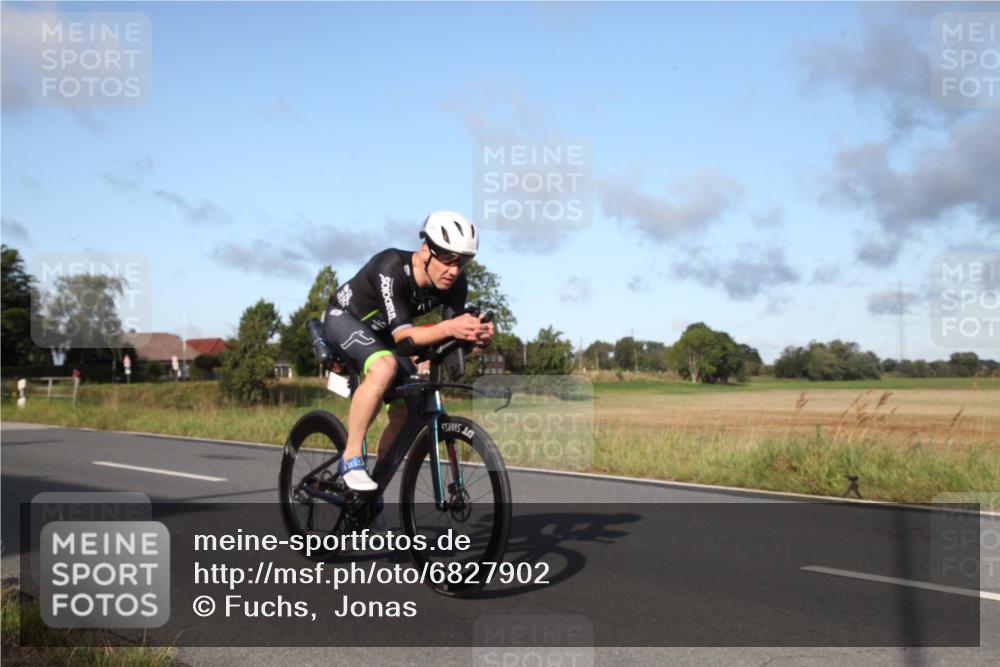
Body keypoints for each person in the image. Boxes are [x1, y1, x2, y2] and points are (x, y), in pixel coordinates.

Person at [323, 211, 494, 491]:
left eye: (462, 263)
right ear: (425, 250)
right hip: (345, 319)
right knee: (384, 367)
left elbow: (448, 337)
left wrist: (476, 335)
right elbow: (405, 337)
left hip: (384, 337)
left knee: (407, 412)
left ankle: (370, 497)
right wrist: (452, 328)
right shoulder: (390, 266)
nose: (454, 270)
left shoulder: (455, 283)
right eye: (448, 260)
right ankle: (351, 458)